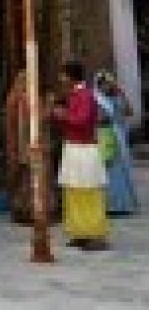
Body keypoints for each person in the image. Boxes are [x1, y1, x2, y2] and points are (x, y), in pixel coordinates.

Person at [51, 60, 109, 249]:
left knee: (88, 191)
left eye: (63, 74)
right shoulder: (73, 95)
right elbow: (68, 123)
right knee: (73, 190)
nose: (60, 79)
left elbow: (82, 120)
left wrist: (63, 115)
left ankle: (96, 235)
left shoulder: (85, 95)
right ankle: (80, 232)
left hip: (84, 149)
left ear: (70, 76)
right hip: (74, 148)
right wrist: (57, 115)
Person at [94, 71, 138, 216]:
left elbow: (130, 112)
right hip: (105, 138)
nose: (108, 86)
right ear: (99, 85)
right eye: (105, 84)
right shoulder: (97, 100)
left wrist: (122, 93)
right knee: (109, 172)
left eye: (109, 84)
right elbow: (98, 119)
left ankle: (124, 204)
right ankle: (110, 205)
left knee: (122, 171)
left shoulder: (115, 98)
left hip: (119, 138)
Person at [5, 68, 34, 224]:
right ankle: (22, 210)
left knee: (24, 178)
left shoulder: (17, 97)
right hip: (21, 144)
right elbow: (20, 125)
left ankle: (23, 210)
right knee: (22, 178)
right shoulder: (18, 98)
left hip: (20, 144)